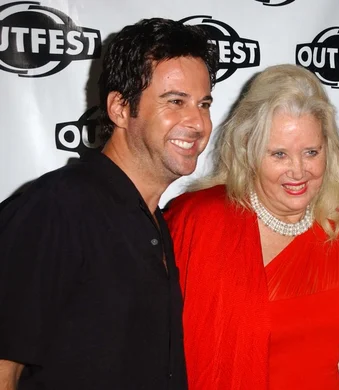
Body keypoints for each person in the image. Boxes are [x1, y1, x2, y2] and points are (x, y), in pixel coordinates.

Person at [0, 18, 218, 390]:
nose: (197, 122)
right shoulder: (55, 209)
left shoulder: (153, 221)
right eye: (175, 101)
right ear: (119, 108)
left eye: (203, 104)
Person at [164, 64, 339, 390]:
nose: (298, 171)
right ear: (248, 151)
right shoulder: (199, 220)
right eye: (279, 154)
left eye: (311, 152)